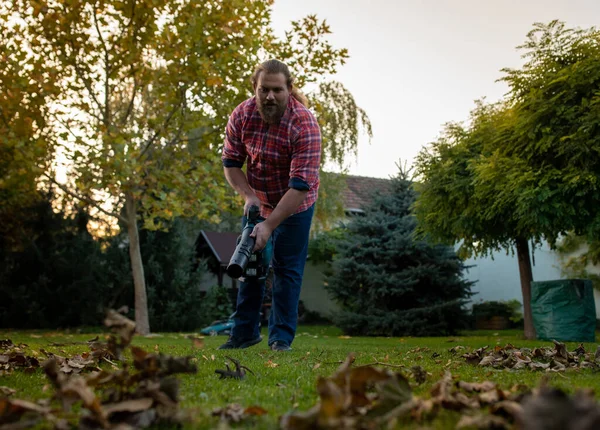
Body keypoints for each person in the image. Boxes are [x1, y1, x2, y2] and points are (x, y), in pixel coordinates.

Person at [219, 59, 321, 351]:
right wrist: (249, 196)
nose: (270, 96)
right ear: (255, 87)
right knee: (249, 266)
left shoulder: (304, 124)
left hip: (295, 205)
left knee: (286, 269)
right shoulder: (242, 115)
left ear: (289, 89)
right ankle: (243, 334)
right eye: (264, 89)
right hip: (258, 200)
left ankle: (280, 339)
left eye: (277, 90)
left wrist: (270, 224)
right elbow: (231, 164)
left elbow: (300, 186)